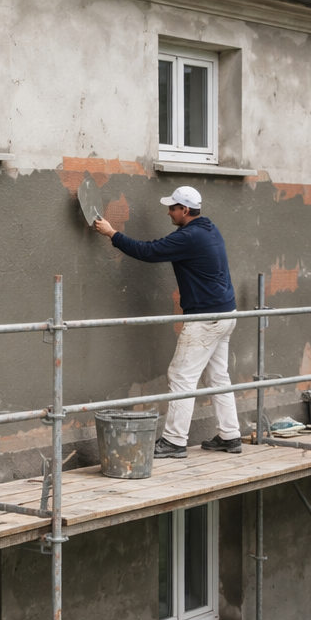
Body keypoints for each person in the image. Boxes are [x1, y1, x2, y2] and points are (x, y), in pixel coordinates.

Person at [94, 185, 242, 458]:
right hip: (226, 314)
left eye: (172, 207)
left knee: (181, 376)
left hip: (206, 318)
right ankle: (230, 436)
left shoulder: (189, 237)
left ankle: (174, 442)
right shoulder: (209, 228)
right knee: (218, 377)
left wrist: (112, 234)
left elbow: (148, 252)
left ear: (185, 210)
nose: (168, 211)